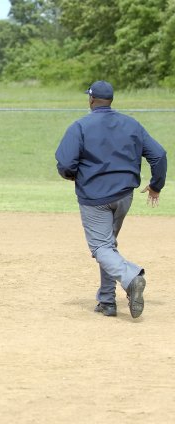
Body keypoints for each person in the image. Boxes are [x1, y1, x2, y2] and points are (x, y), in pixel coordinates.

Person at [55, 80, 167, 319]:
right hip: (124, 195)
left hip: (94, 197)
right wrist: (156, 185)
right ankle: (107, 301)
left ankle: (131, 278)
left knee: (101, 247)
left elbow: (65, 164)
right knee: (109, 247)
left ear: (91, 100)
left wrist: (73, 175)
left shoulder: (80, 126)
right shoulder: (131, 124)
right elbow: (159, 155)